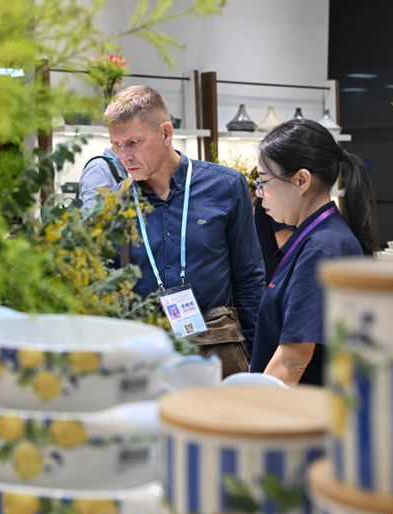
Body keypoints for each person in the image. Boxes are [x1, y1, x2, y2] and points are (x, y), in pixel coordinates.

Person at [105, 86, 265, 377]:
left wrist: (255, 361)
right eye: (116, 145)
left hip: (216, 356)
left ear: (166, 133)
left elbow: (249, 278)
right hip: (144, 361)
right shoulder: (116, 203)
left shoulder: (226, 187)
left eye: (133, 142)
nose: (124, 156)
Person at [249, 119, 378, 386]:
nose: (260, 195)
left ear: (301, 180)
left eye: (263, 182)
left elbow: (293, 360)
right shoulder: (322, 237)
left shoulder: (322, 248)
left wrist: (250, 415)